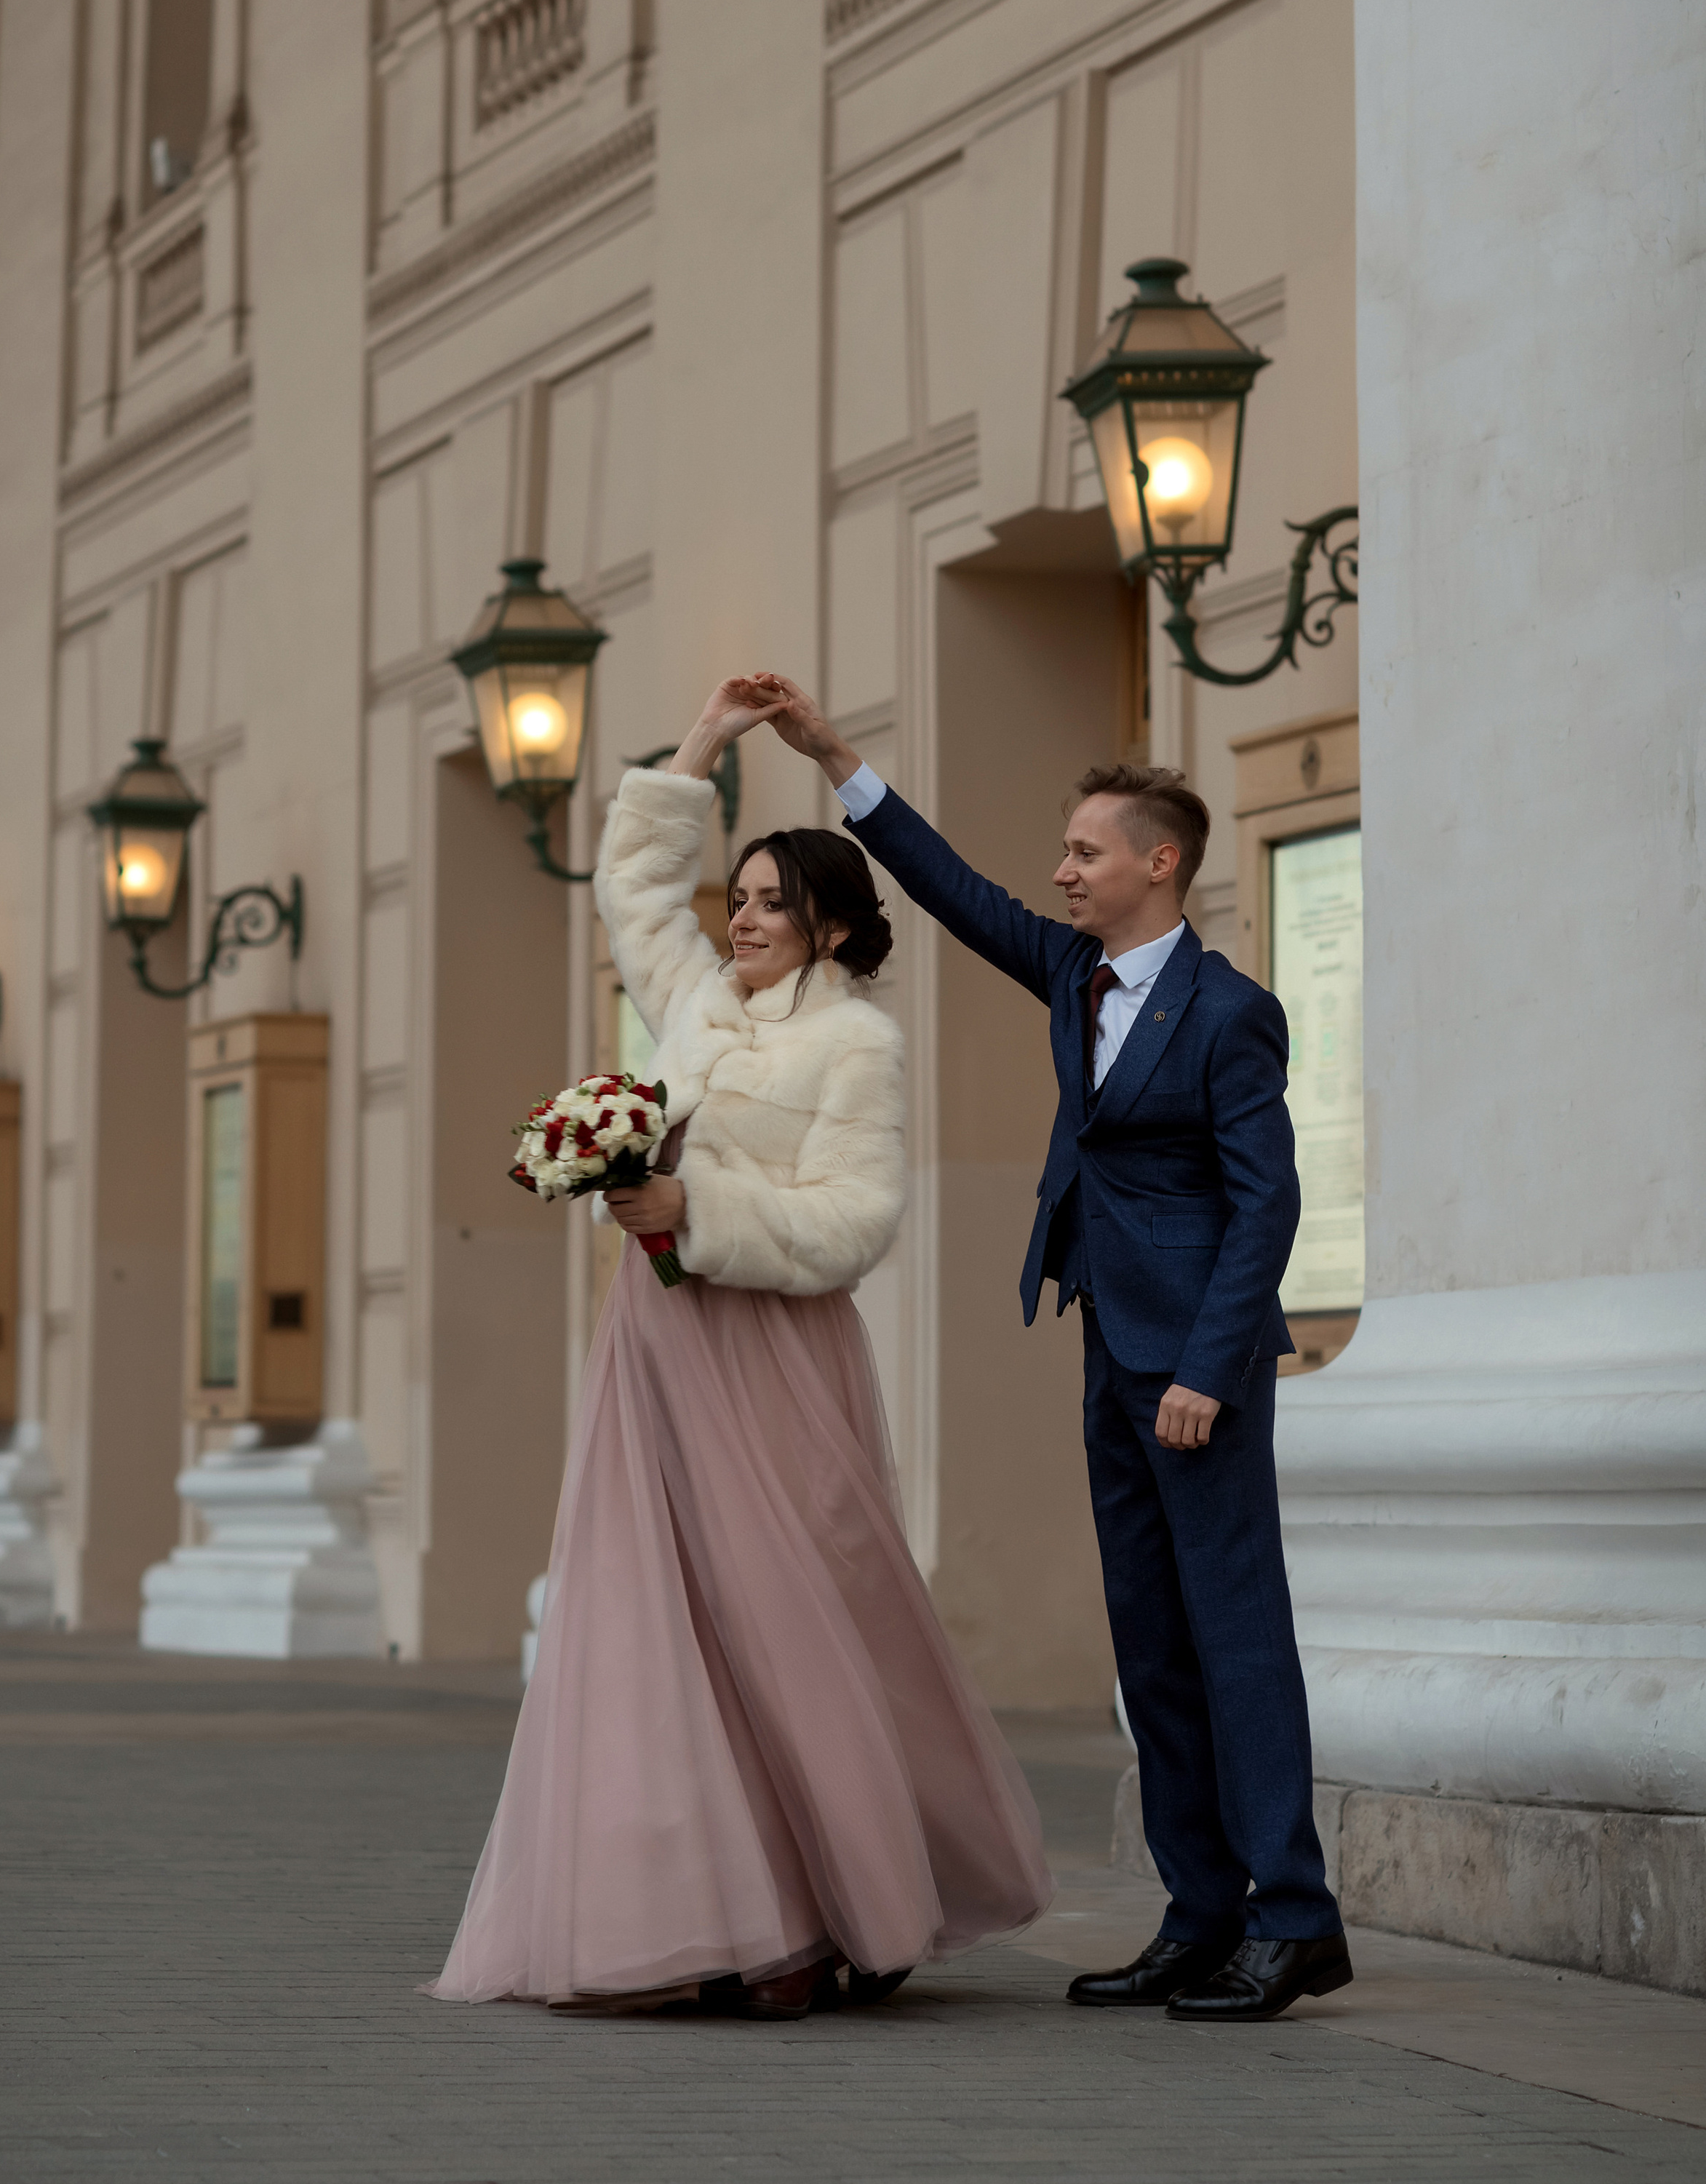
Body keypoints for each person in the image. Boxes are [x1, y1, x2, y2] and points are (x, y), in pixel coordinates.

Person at [426, 679, 1053, 2017]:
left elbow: (855, 1223)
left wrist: (694, 1211)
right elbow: (636, 894)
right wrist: (702, 748)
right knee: (664, 1620)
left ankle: (830, 1918)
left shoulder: (855, 1047)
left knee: (795, 1622)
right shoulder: (698, 1006)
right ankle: (707, 1918)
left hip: (772, 1366)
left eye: (771, 900)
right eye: (743, 895)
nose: (744, 917)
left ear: (829, 921)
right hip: (656, 1357)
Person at [752, 674, 1350, 2025]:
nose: (1063, 869)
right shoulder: (1076, 970)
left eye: (1087, 850)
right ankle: (1201, 1915)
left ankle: (1296, 1919)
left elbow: (1270, 1201)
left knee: (1236, 1637)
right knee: (1151, 1640)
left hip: (1199, 1364)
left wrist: (1208, 1368)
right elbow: (957, 893)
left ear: (1162, 861)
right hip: (1108, 1340)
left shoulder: (1229, 1011)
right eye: (1066, 851)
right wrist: (842, 762)